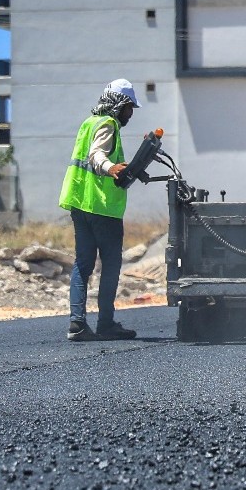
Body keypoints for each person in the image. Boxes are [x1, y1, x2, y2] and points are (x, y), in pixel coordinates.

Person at [57, 78, 141, 342]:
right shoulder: (108, 124)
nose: (130, 113)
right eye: (129, 107)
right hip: (102, 208)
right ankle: (105, 323)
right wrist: (111, 167)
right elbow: (96, 156)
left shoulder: (89, 122)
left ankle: (77, 323)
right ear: (120, 104)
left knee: (83, 264)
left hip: (81, 204)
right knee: (111, 264)